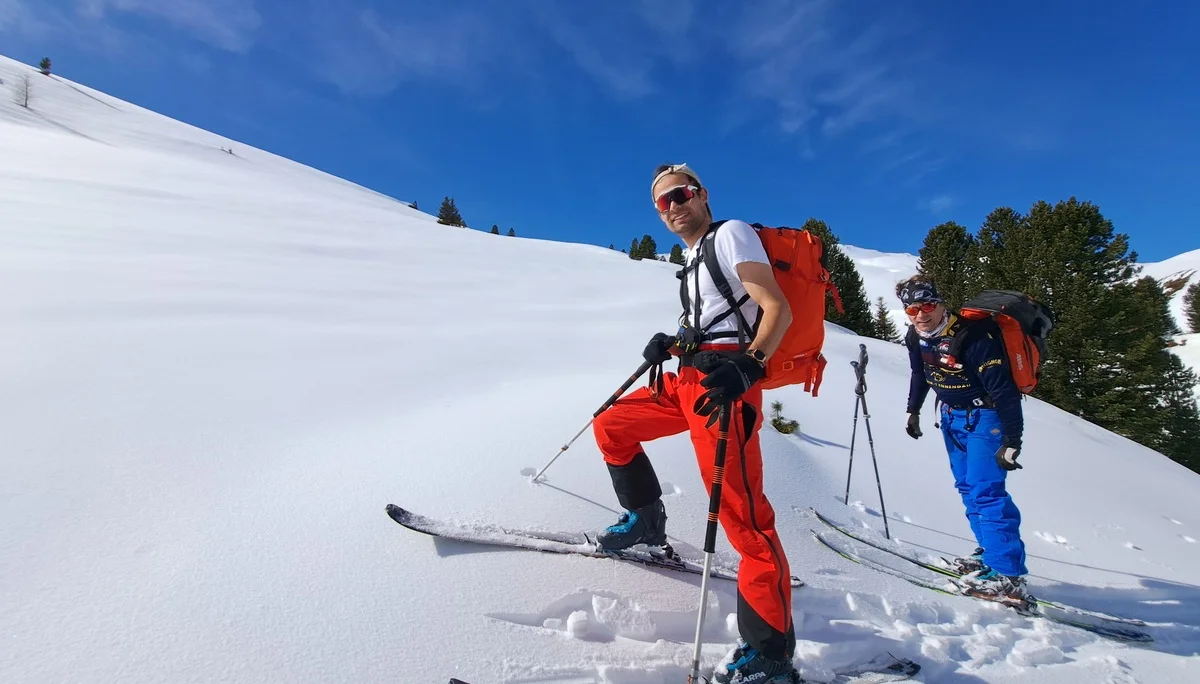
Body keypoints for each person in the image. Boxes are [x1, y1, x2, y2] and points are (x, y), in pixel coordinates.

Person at [590, 163, 800, 683]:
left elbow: (776, 308)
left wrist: (749, 366)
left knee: (743, 518)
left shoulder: (730, 234)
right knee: (612, 425)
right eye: (662, 203)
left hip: (723, 386)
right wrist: (674, 340)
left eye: (679, 195)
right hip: (685, 378)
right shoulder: (690, 258)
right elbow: (712, 318)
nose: (672, 207)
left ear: (702, 195)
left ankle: (770, 654)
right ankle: (645, 521)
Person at [898, 276, 1030, 603]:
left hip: (987, 418)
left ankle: (1009, 577)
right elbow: (920, 373)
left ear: (941, 303)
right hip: (951, 418)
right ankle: (990, 557)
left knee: (987, 490)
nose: (921, 314)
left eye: (927, 305)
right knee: (968, 487)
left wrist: (1013, 439)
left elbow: (1004, 389)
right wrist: (912, 410)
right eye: (912, 308)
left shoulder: (974, 337)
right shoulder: (916, 336)